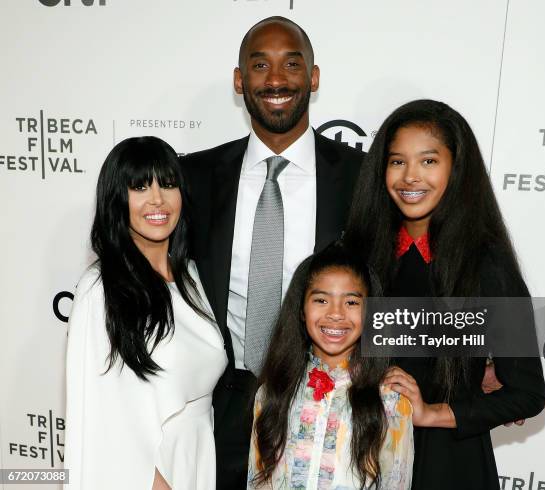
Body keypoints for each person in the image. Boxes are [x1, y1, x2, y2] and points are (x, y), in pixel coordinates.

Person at [181, 16, 363, 488]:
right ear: (240, 81)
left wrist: (476, 360)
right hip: (221, 402)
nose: (277, 79)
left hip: (328, 401)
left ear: (314, 77)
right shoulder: (195, 178)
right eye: (260, 65)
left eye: (291, 64)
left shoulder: (361, 178)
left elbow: (394, 277)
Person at [344, 99, 545, 490]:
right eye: (397, 161)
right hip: (359, 456)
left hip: (447, 465)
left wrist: (431, 413)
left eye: (429, 161)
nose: (410, 177)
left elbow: (527, 394)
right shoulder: (359, 255)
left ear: (456, 170)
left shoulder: (486, 264)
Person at [64, 137, 227, 490]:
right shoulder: (100, 289)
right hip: (147, 471)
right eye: (139, 186)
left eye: (167, 184)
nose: (157, 199)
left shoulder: (192, 276)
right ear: (116, 199)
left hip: (196, 454)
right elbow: (104, 416)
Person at [247, 242, 413, 489]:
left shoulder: (390, 400)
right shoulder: (273, 392)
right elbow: (256, 479)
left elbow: (396, 481)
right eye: (322, 300)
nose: (336, 313)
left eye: (351, 303)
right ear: (302, 309)